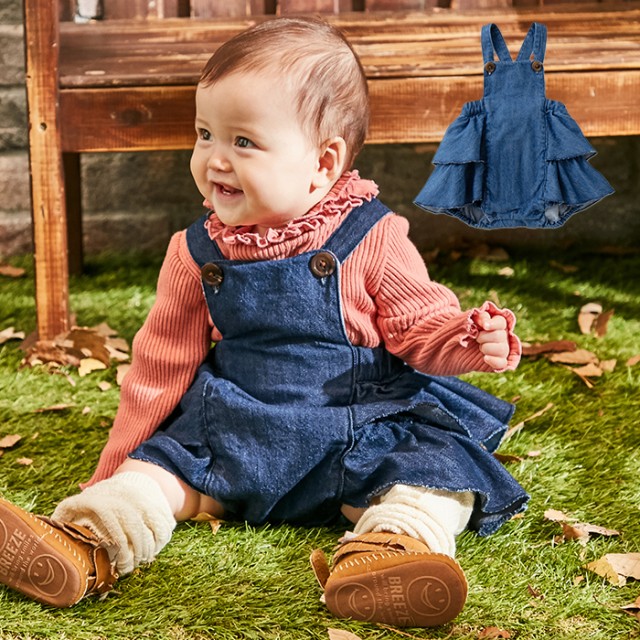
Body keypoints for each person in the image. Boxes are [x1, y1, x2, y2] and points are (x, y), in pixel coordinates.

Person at [0, 16, 528, 628]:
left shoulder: (371, 237)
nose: (214, 160)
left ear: (324, 162)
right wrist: (119, 465)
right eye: (204, 135)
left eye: (242, 142)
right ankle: (88, 542)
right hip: (238, 430)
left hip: (358, 428)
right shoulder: (195, 252)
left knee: (431, 477)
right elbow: (159, 366)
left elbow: (420, 328)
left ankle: (393, 549)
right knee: (160, 474)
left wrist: (465, 339)